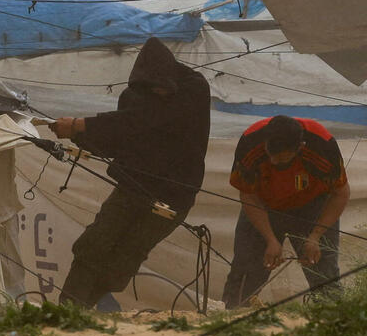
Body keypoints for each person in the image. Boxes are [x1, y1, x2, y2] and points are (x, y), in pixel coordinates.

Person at [48, 37, 210, 309]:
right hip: (133, 186)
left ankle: (85, 305)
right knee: (93, 244)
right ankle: (69, 310)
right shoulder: (134, 96)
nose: (159, 92)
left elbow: (146, 120)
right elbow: (119, 140)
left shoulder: (193, 88)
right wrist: (78, 136)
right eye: (154, 88)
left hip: (175, 195)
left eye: (163, 87)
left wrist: (81, 125)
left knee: (125, 259)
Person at [222, 115, 349, 308]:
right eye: (271, 155)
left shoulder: (321, 144)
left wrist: (315, 236)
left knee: (323, 272)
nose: (274, 162)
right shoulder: (249, 142)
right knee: (246, 266)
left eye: (282, 160)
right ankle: (230, 316)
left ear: (300, 147)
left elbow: (341, 193)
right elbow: (248, 195)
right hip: (263, 204)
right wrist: (270, 239)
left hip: (313, 205)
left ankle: (334, 321)